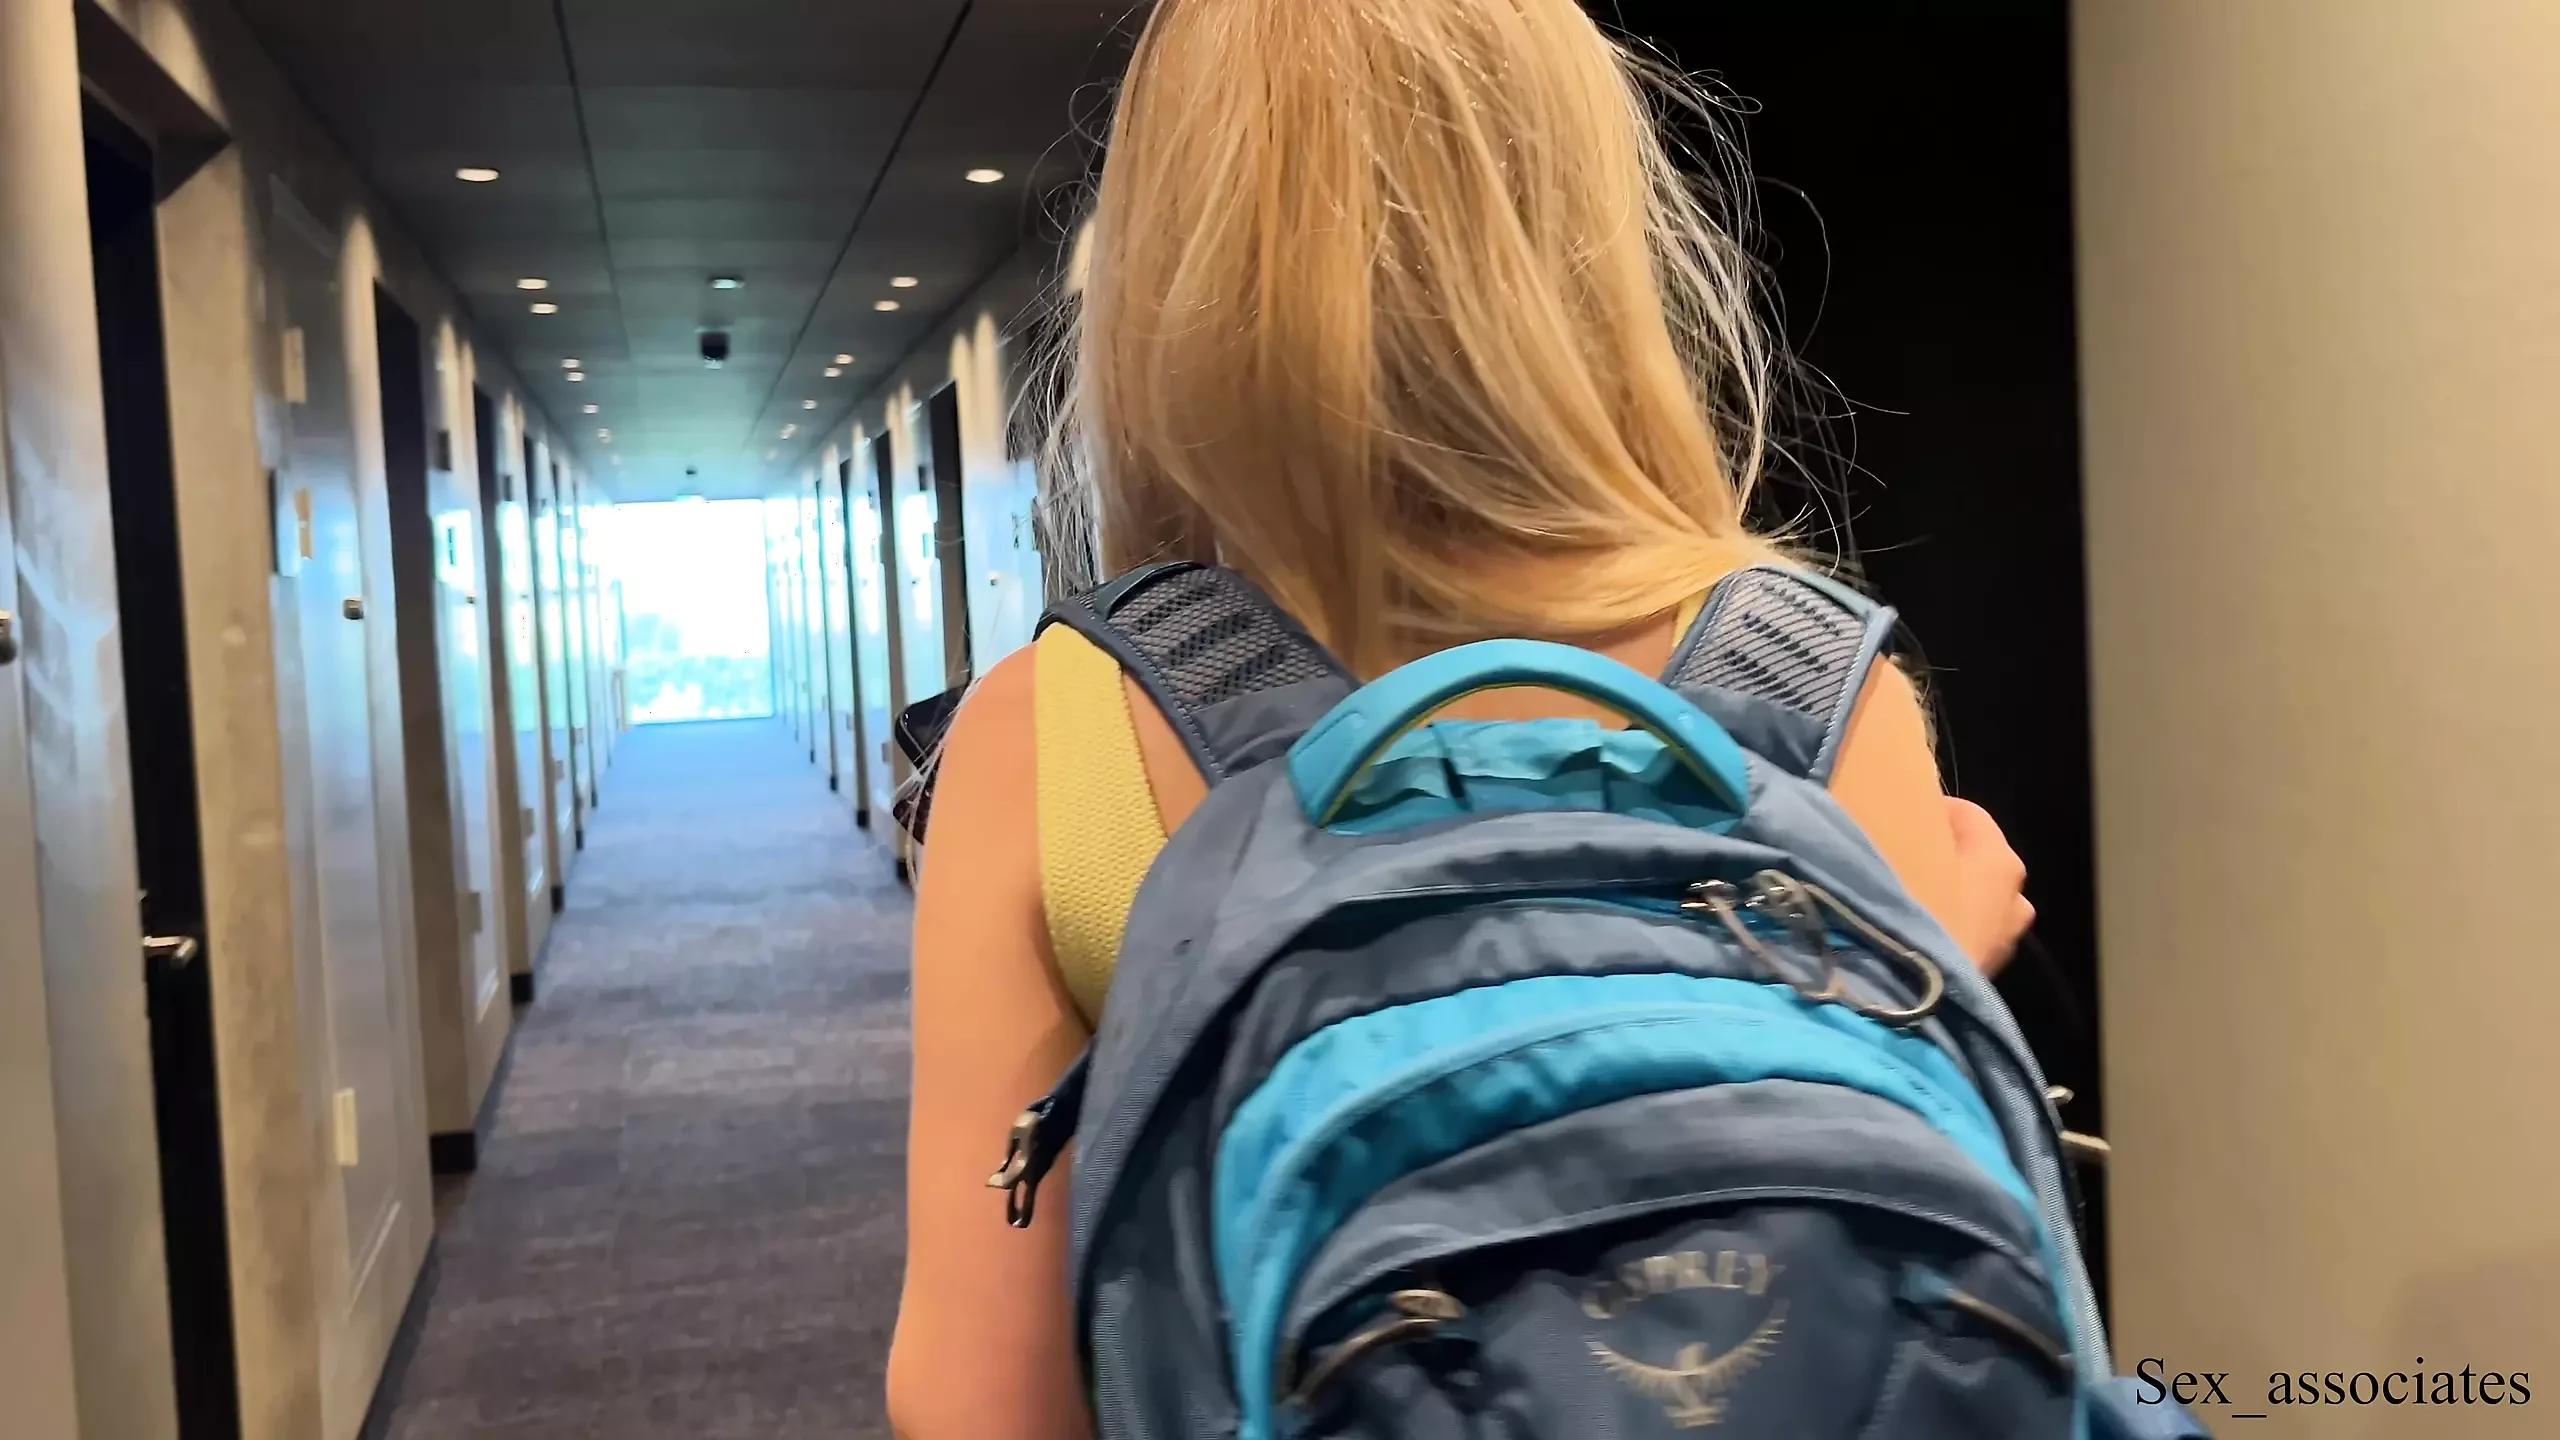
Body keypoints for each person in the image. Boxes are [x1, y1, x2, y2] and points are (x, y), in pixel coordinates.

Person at [886, 1, 2038, 1434]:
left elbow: (982, 1405)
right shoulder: (1815, 684)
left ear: (1160, 272)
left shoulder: (1059, 732)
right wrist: (1936, 954)